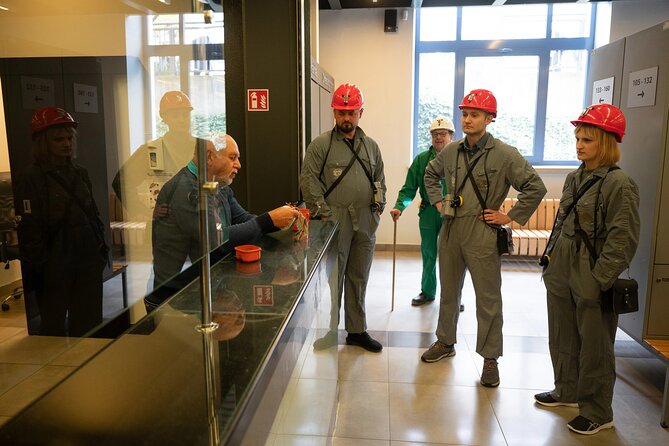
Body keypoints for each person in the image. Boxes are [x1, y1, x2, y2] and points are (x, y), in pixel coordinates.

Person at [421, 89, 546, 387]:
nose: (467, 119)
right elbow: (429, 174)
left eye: (475, 114)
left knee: (488, 299)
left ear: (490, 119)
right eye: (464, 113)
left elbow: (534, 186)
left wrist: (510, 216)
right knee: (449, 292)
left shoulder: (505, 154)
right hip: (451, 230)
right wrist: (439, 202)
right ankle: (445, 342)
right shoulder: (450, 151)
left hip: (482, 232)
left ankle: (491, 359)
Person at [535, 104, 639, 435]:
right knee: (563, 335)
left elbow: (622, 239)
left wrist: (600, 279)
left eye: (588, 140)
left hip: (592, 272)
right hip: (562, 269)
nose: (579, 145)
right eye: (578, 138)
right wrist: (551, 264)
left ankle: (597, 410)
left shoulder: (618, 183)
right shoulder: (574, 177)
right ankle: (567, 390)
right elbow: (562, 224)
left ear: (607, 143)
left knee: (595, 345)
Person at [147, 134, 298, 311]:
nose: (238, 165)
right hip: (176, 298)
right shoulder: (186, 190)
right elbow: (215, 240)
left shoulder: (217, 185)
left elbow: (243, 219)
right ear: (209, 157)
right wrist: (268, 220)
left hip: (205, 288)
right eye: (232, 157)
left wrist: (279, 225)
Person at [300, 83, 386, 353]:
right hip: (334, 220)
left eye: (351, 112)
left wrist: (378, 205)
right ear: (333, 113)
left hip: (365, 221)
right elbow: (308, 180)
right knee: (333, 278)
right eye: (341, 112)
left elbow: (379, 179)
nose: (346, 118)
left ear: (361, 112)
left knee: (359, 276)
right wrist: (323, 213)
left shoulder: (371, 147)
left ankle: (357, 330)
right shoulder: (321, 145)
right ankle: (329, 330)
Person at [16, 107, 109, 336]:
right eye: (58, 139)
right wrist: (44, 265)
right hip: (55, 260)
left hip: (87, 255)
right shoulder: (31, 178)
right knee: (53, 329)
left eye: (69, 138)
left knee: (90, 325)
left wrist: (100, 250)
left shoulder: (80, 173)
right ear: (43, 142)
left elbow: (93, 213)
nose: (66, 144)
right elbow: (29, 228)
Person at [390, 115, 456, 307]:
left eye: (442, 134)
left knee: (451, 255)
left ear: (451, 136)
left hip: (452, 213)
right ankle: (428, 292)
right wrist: (399, 206)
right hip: (428, 212)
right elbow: (409, 187)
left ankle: (452, 296)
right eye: (435, 134)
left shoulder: (459, 159)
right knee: (428, 252)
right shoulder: (421, 160)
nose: (438, 138)